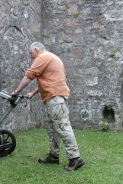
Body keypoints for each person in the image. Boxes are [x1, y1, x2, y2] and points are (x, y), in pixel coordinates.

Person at [12, 42, 84, 171]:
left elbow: (29, 76)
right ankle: (54, 156)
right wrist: (33, 93)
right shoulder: (51, 58)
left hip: (55, 98)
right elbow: (49, 80)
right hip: (54, 98)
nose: (31, 57)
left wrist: (15, 92)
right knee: (52, 128)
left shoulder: (43, 57)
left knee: (63, 126)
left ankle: (75, 159)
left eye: (31, 53)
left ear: (36, 49)